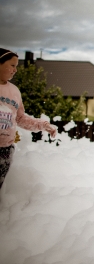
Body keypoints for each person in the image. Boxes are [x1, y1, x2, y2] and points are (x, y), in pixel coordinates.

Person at [0, 48, 57, 189]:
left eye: (17, 66)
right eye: (12, 65)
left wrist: (43, 125)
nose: (15, 70)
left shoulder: (14, 91)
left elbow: (20, 118)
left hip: (5, 149)